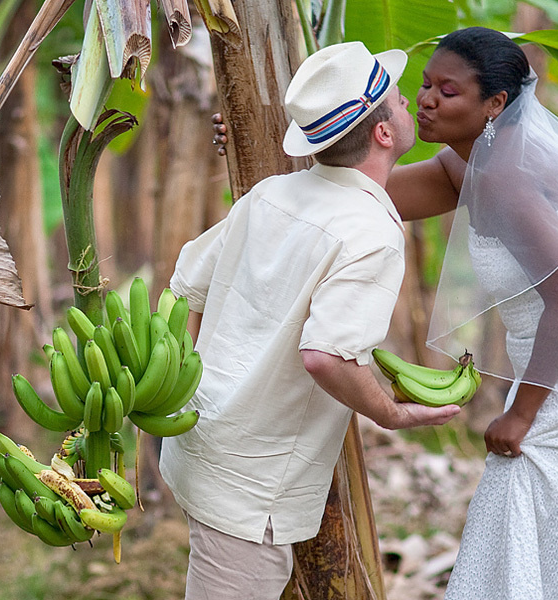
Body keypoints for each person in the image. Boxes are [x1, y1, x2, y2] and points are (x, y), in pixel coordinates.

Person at [217, 26, 558, 599]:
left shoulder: (506, 176)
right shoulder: (468, 165)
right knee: (553, 513)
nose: (428, 98)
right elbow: (351, 198)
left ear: (496, 104)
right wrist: (252, 148)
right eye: (426, 85)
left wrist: (522, 414)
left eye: (448, 91)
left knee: (524, 487)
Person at [159, 41, 460, 600]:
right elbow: (325, 355)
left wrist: (204, 389)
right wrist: (391, 413)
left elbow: (185, 286)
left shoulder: (271, 191)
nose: (410, 99)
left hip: (201, 441)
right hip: (252, 490)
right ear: (384, 134)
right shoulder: (371, 232)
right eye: (398, 97)